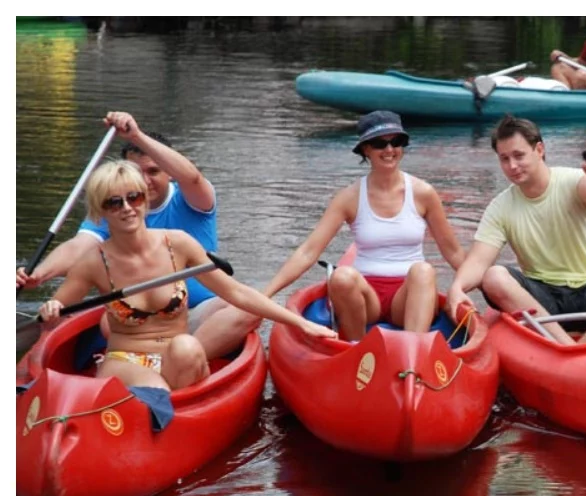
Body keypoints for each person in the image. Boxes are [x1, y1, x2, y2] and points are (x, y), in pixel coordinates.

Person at [37, 160, 336, 390]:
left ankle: (175, 412)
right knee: (157, 390)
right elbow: (55, 315)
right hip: (125, 361)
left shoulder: (177, 244)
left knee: (187, 347)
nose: (127, 208)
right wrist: (50, 311)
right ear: (100, 211)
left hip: (177, 357)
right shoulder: (93, 261)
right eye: (114, 203)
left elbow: (236, 292)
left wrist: (301, 323)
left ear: (144, 199)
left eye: (134, 197)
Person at [17, 111, 258, 359]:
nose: (144, 181)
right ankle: (159, 362)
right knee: (107, 321)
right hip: (140, 322)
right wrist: (40, 274)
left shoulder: (192, 198)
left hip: (201, 316)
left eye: (153, 171)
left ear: (169, 172)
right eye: (135, 172)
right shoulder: (114, 208)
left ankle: (177, 361)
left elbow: (193, 177)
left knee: (243, 309)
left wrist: (136, 136)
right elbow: (79, 246)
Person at [446, 115, 586, 345]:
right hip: (544, 301)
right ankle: (565, 345)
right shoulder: (500, 206)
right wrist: (457, 287)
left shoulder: (574, 180)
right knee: (494, 277)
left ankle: (585, 344)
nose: (512, 166)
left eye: (519, 156)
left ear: (539, 150)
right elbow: (479, 261)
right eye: (504, 159)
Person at [262, 110, 464, 340]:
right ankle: (356, 347)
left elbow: (453, 251)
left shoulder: (424, 193)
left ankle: (413, 350)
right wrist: (265, 295)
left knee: (424, 270)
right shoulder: (348, 197)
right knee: (341, 277)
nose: (389, 150)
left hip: (408, 294)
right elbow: (308, 252)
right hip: (367, 297)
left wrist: (473, 287)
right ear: (366, 149)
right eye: (380, 144)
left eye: (396, 142)